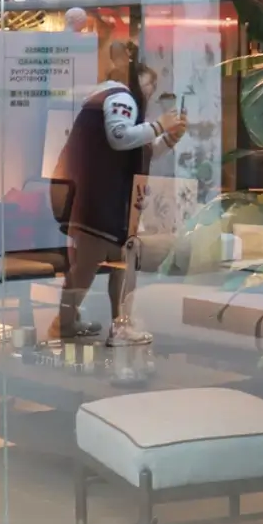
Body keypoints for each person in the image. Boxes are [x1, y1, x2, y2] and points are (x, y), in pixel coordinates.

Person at [50, 54, 184, 340]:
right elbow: (120, 137)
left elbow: (140, 150)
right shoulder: (121, 98)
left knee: (100, 265)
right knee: (104, 265)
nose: (150, 91)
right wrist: (160, 126)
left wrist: (169, 137)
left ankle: (73, 322)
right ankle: (111, 324)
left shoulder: (102, 99)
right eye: (149, 84)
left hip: (97, 197)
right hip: (105, 200)